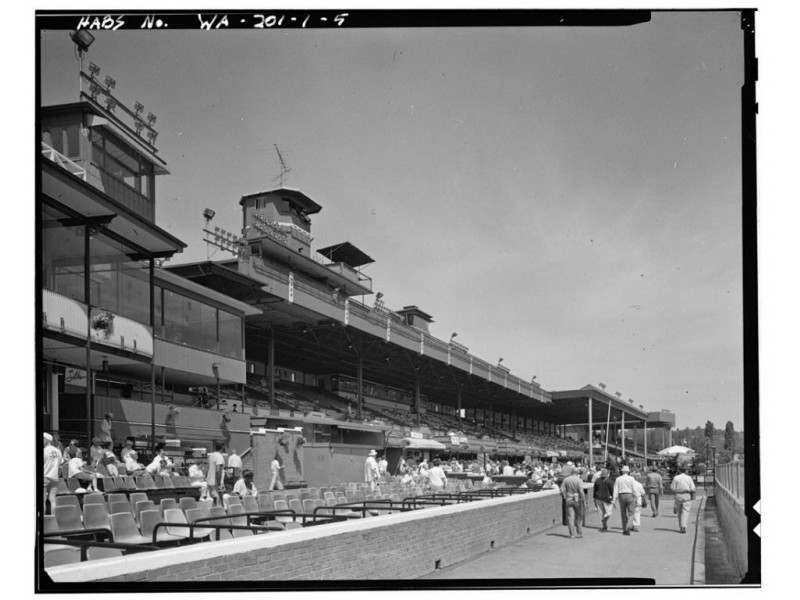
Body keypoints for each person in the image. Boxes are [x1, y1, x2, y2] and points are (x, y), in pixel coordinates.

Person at [612, 465, 640, 536]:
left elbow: (615, 489)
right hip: (629, 495)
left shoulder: (618, 479)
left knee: (623, 513)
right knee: (631, 513)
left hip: (621, 495)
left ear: (622, 471)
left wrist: (614, 499)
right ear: (628, 472)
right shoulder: (631, 479)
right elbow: (634, 489)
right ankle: (629, 525)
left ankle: (625, 528)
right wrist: (636, 497)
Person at [670, 466, 696, 533]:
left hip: (678, 495)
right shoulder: (689, 478)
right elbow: (692, 488)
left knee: (679, 512)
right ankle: (684, 526)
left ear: (679, 470)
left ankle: (681, 527)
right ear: (686, 471)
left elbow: (672, 487)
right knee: (685, 511)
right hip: (686, 495)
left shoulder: (676, 478)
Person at [561, 468, 585, 539]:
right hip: (577, 499)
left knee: (570, 517)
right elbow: (581, 491)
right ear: (577, 473)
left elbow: (562, 489)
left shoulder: (566, 479)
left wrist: (565, 496)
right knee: (578, 517)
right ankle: (579, 533)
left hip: (569, 499)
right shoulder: (579, 480)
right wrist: (584, 501)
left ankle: (572, 534)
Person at [43, 433, 63, 514]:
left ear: (46, 440)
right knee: (53, 500)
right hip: (54, 478)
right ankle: (53, 519)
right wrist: (57, 476)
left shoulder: (44, 451)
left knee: (43, 500)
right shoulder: (58, 451)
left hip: (44, 477)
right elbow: (60, 466)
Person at [207, 442, 226, 506]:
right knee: (218, 499)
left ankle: (213, 513)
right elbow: (218, 470)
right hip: (217, 481)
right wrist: (218, 483)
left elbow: (209, 467)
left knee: (215, 499)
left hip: (210, 480)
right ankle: (218, 513)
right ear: (222, 448)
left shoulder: (212, 455)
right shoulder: (219, 456)